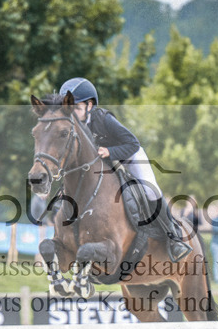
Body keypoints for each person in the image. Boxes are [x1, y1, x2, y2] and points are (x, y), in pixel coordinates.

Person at [59, 77, 191, 261]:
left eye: (76, 108)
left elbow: (133, 143)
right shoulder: (72, 126)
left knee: (151, 190)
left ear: (89, 105)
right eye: (68, 108)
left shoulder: (104, 119)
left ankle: (173, 237)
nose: (71, 113)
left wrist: (110, 151)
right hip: (103, 163)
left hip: (129, 156)